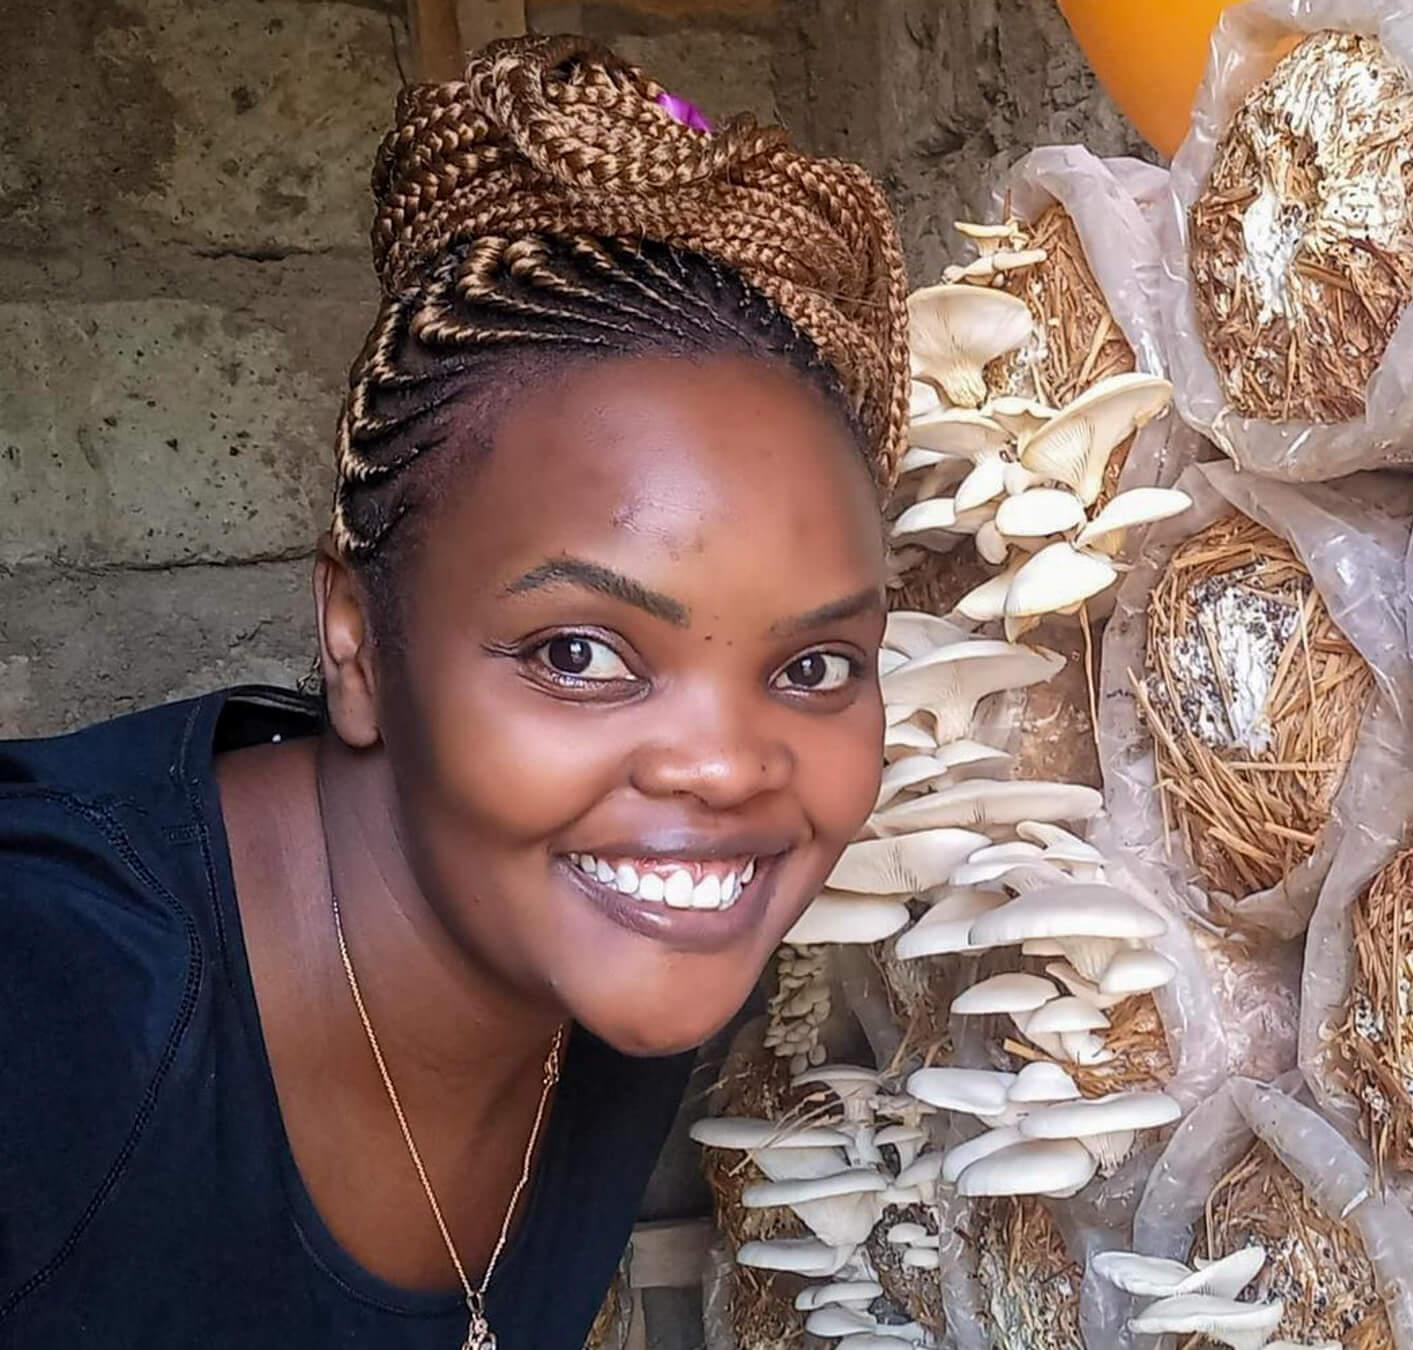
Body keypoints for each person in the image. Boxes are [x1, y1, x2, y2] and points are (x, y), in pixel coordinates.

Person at [0, 36, 906, 1347]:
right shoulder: (54, 997)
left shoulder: (633, 944)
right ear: (357, 641)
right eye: (581, 654)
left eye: (814, 667)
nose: (727, 767)